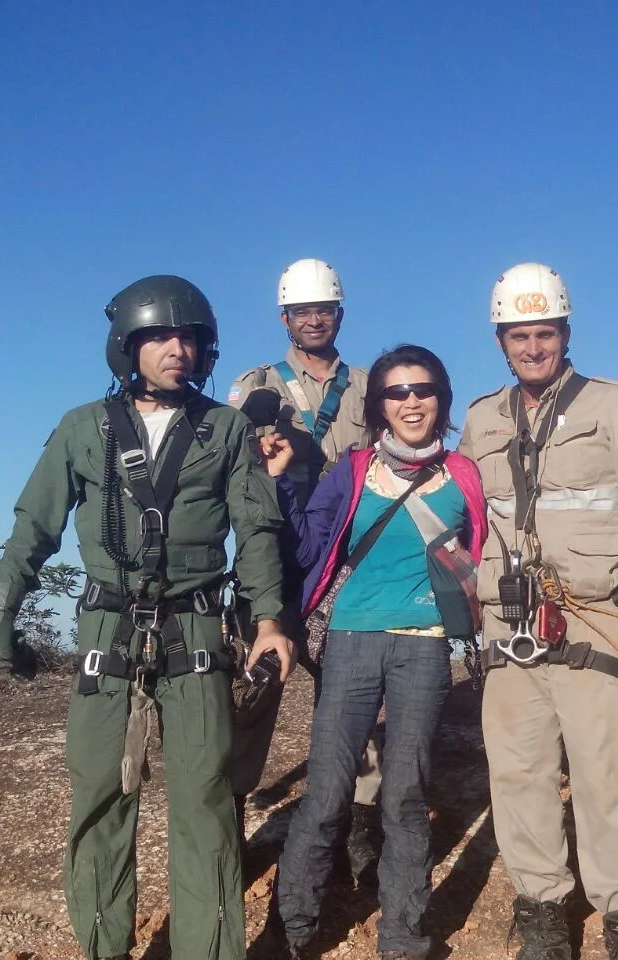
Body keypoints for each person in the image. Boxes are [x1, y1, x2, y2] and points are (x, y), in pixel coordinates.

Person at [0, 275, 294, 960]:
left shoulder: (228, 428)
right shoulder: (81, 428)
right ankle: (102, 946)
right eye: (158, 337)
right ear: (128, 346)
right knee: (98, 795)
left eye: (188, 338)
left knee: (206, 800)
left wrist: (269, 619)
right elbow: (35, 523)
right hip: (105, 628)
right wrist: (5, 607)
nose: (175, 349)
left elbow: (258, 528)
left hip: (196, 626)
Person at [458, 264, 618, 960]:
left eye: (545, 333)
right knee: (519, 778)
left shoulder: (615, 406)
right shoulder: (480, 419)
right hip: (509, 633)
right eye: (518, 335)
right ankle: (541, 916)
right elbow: (462, 523)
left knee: (607, 779)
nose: (533, 348)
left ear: (566, 333)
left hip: (595, 621)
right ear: (500, 340)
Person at [262, 344, 487, 960]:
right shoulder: (355, 469)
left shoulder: (463, 474)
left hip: (425, 648)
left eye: (423, 390)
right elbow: (308, 546)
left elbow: (481, 560)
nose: (411, 401)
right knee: (328, 790)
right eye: (396, 392)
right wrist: (281, 483)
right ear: (379, 405)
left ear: (441, 399)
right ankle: (293, 932)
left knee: (406, 796)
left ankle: (404, 941)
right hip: (352, 642)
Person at [226, 257, 384, 875]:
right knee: (252, 692)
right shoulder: (256, 384)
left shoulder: (372, 384)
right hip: (275, 555)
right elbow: (234, 469)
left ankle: (360, 824)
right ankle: (229, 822)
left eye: (325, 309)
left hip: (345, 559)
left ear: (339, 313)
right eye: (302, 311)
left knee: (355, 695)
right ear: (285, 318)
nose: (314, 319)